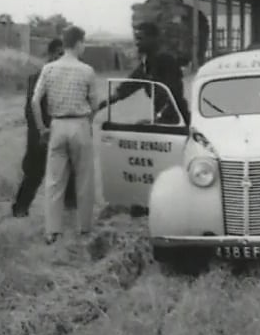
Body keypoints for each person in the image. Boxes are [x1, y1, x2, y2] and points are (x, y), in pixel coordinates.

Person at [30, 25, 99, 244]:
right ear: (78, 43)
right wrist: (87, 121)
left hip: (57, 125)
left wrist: (42, 128)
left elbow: (35, 101)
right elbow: (95, 103)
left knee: (54, 181)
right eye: (84, 43)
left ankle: (53, 231)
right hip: (79, 124)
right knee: (84, 179)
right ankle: (85, 227)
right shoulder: (87, 70)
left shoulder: (49, 69)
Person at [12, 38, 76, 217]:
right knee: (34, 172)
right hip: (42, 133)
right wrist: (41, 132)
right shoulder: (38, 78)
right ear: (52, 54)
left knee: (70, 170)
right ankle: (20, 209)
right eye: (60, 54)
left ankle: (70, 210)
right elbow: (31, 110)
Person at [96, 21, 189, 125]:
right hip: (162, 118)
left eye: (140, 38)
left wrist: (158, 121)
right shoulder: (146, 64)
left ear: (152, 38)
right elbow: (125, 89)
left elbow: (173, 94)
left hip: (177, 120)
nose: (137, 43)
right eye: (136, 39)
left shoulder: (166, 60)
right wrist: (98, 107)